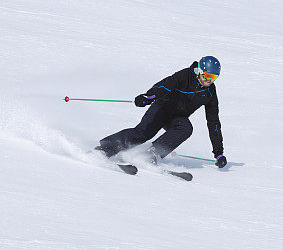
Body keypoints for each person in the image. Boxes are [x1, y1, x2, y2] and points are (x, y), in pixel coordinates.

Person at [97, 56, 227, 168]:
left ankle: (151, 154)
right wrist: (149, 96)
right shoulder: (185, 75)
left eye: (213, 77)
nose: (209, 81)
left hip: (176, 118)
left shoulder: (210, 92)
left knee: (186, 128)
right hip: (162, 108)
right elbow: (165, 85)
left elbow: (213, 122)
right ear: (199, 71)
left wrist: (219, 153)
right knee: (143, 133)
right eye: (207, 76)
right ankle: (105, 148)